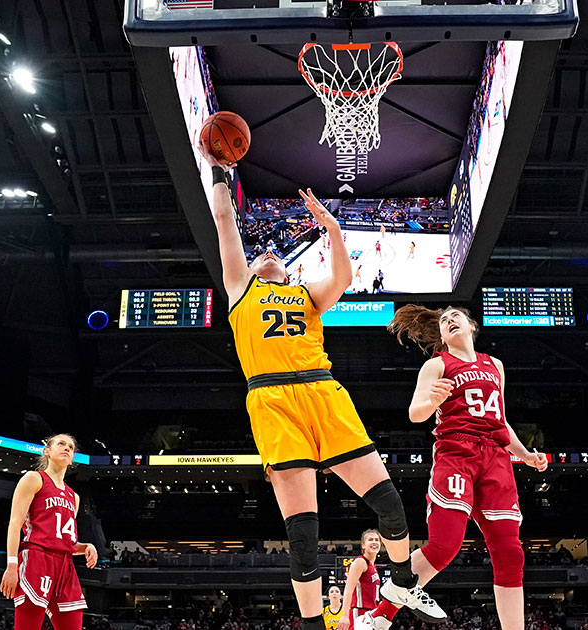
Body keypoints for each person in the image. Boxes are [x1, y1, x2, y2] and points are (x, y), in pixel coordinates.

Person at [201, 146, 444, 630]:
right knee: (304, 534)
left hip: (323, 392)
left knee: (390, 504)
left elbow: (343, 276)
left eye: (273, 254)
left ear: (288, 270)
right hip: (271, 400)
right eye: (259, 254)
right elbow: (225, 221)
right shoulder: (239, 289)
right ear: (248, 269)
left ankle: (400, 581)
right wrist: (219, 172)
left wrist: (332, 228)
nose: (266, 253)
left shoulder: (306, 294)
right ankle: (313, 626)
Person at [372, 305, 549, 630]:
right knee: (444, 546)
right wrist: (433, 402)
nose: (449, 320)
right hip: (457, 454)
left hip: (496, 460)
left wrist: (525, 454)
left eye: (455, 316)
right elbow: (415, 413)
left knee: (511, 553)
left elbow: (502, 421)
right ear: (441, 336)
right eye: (443, 321)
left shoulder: (495, 365)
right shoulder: (436, 365)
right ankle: (382, 614)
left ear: (471, 326)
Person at [0, 434, 98, 630]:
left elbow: (64, 542)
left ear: (72, 459)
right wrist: (12, 565)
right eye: (61, 444)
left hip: (65, 565)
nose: (67, 448)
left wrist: (86, 547)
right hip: (37, 558)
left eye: (71, 447)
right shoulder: (34, 478)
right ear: (47, 451)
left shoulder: (74, 497)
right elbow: (14, 523)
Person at [340, 531, 382, 630]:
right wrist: (344, 616)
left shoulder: (373, 566)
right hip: (359, 613)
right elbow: (348, 590)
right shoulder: (360, 562)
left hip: (371, 613)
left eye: (377, 540)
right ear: (363, 545)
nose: (374, 542)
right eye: (370, 540)